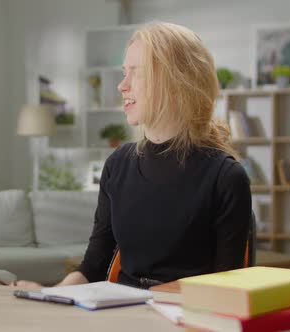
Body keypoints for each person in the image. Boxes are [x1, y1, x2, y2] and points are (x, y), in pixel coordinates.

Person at [15, 22, 251, 289]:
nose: (121, 86)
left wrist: (149, 299)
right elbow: (93, 267)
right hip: (120, 313)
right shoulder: (117, 165)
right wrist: (48, 293)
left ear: (174, 82)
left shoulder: (226, 177)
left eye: (135, 74)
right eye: (123, 73)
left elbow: (226, 290)